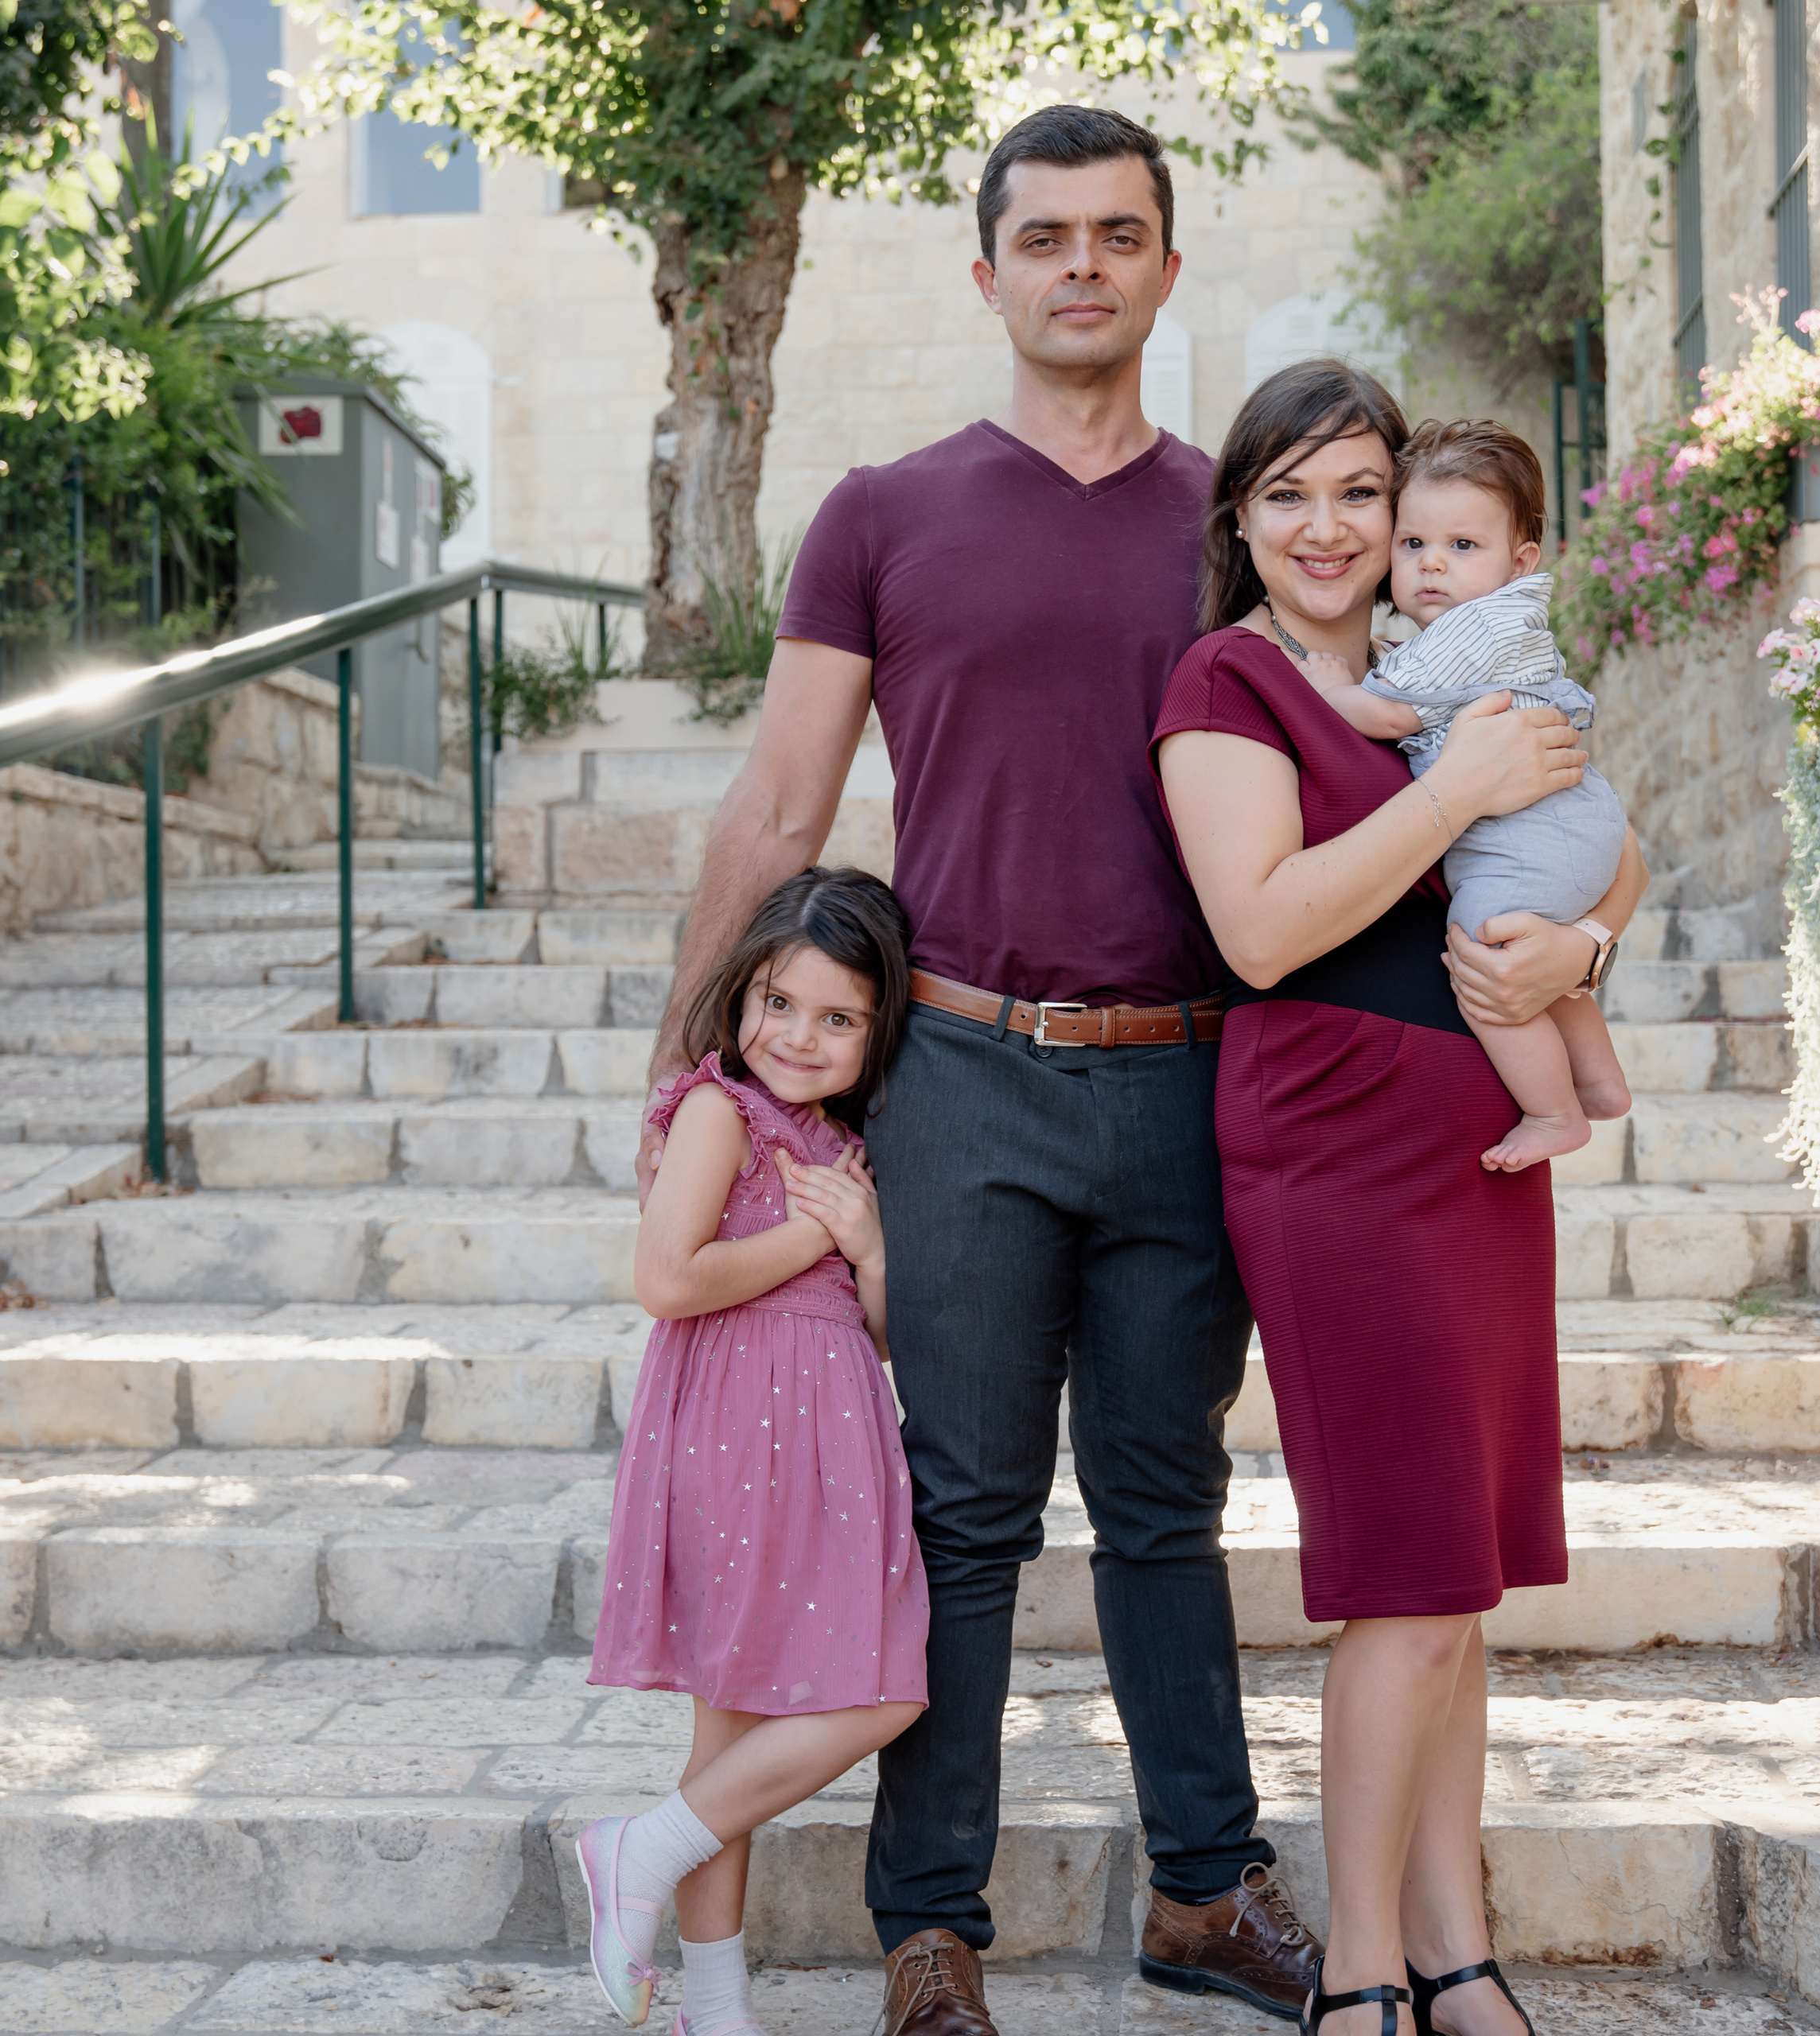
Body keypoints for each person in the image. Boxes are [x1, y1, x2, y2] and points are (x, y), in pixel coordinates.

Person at [636, 104, 1339, 2036]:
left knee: (1163, 1500)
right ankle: (923, 1931)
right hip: (955, 1074)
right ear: (989, 273)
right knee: (957, 1513)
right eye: (1046, 237)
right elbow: (781, 796)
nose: (1083, 265)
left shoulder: (1232, 527)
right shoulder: (880, 510)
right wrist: (685, 1058)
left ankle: (1205, 1890)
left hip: (1188, 1074)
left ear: (1164, 270)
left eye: (1119, 235)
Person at [1150, 358, 1647, 2036]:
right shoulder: (1229, 680)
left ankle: (1458, 1949)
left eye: (1357, 492)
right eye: (1287, 492)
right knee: (1406, 1572)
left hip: (1473, 1146)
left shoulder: (1457, 663)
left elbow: (1603, 831)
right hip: (1333, 1141)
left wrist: (1583, 942)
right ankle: (1360, 1961)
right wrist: (1453, 792)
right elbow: (1262, 929)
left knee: (1459, 1573)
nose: (1329, 524)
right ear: (1239, 516)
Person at [583, 867, 928, 2036]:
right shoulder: (721, 1112)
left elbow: (878, 1334)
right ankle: (652, 1876)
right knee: (846, 1695)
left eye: (838, 1019)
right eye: (779, 1002)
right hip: (734, 1436)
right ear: (742, 996)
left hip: (833, 1442)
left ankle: (706, 1993)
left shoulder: (844, 1144)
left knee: (800, 1708)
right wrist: (802, 1233)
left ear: (877, 1032)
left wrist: (869, 1245)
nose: (799, 1036)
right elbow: (666, 1279)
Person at [1301, 418, 1632, 1171]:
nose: (1433, 568)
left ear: (1520, 563)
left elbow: (1386, 716)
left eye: (1462, 547)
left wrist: (1333, 689)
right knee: (1538, 953)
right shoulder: (1503, 623)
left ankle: (1554, 1113)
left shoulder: (1464, 635)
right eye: (1414, 545)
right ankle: (1602, 1082)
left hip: (1533, 837)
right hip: (1574, 826)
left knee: (1485, 957)